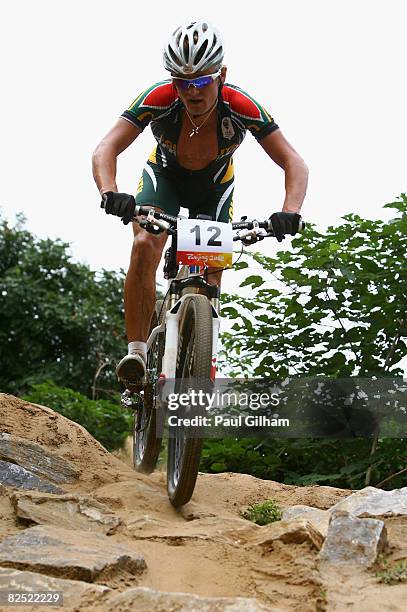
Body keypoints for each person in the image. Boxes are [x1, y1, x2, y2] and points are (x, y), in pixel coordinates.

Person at [92, 20, 308, 386]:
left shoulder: (240, 105)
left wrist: (290, 212)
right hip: (165, 180)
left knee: (210, 276)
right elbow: (105, 148)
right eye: (181, 82)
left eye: (201, 82)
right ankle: (137, 354)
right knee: (145, 243)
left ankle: (201, 357)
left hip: (214, 188)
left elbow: (294, 162)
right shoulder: (160, 98)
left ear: (221, 75)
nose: (191, 91)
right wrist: (110, 192)